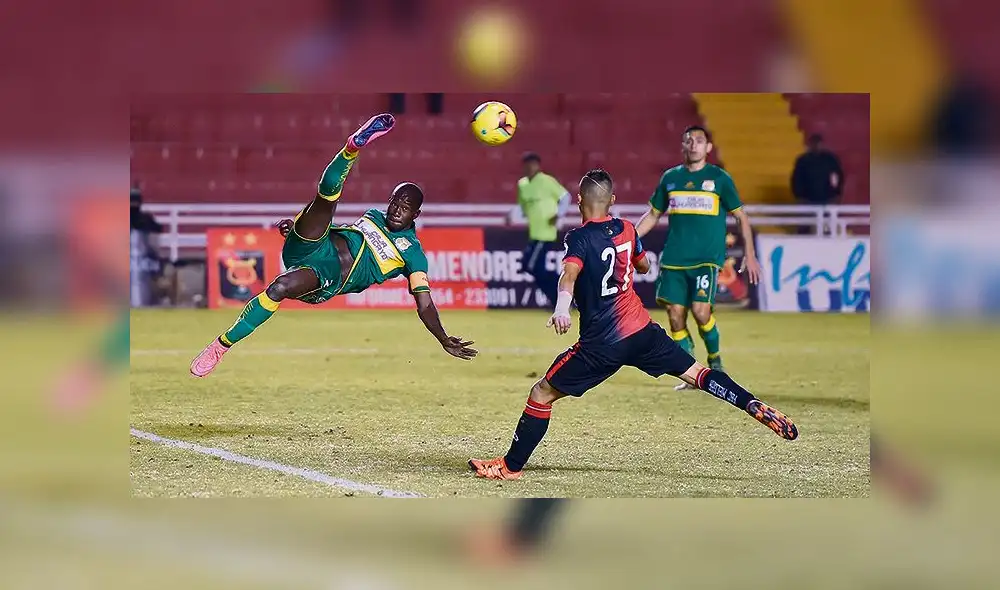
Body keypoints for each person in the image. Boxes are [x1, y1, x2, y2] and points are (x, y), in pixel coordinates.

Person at [468, 169, 797, 481]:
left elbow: (568, 276)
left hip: (602, 344)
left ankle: (509, 467)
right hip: (642, 332)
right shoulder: (627, 229)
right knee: (698, 374)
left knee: (541, 393)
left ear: (580, 202)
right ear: (612, 201)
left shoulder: (578, 238)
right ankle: (748, 402)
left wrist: (562, 309)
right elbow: (642, 265)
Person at [190, 114, 478, 377]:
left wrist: (442, 338)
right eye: (394, 202)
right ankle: (353, 146)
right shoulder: (373, 216)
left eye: (405, 207)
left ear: (416, 215)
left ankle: (221, 345)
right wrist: (296, 229)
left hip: (327, 274)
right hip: (313, 243)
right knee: (325, 201)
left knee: (279, 288)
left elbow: (424, 302)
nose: (396, 210)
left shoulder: (413, 254)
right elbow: (343, 231)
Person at [635, 126, 761, 391]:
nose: (693, 145)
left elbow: (741, 217)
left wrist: (750, 255)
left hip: (706, 259)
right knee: (675, 315)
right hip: (674, 259)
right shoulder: (671, 178)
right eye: (689, 140)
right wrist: (631, 237)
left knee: (702, 312)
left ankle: (716, 364)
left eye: (699, 141)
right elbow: (654, 214)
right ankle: (690, 371)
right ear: (683, 145)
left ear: (708, 148)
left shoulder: (719, 179)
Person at [517, 152, 571, 306]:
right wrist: (511, 217)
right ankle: (559, 294)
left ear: (538, 166)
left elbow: (565, 197)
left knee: (532, 266)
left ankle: (561, 293)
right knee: (533, 268)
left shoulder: (547, 181)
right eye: (527, 164)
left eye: (533, 164)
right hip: (534, 233)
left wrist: (559, 215)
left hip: (546, 233)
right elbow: (522, 208)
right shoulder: (522, 185)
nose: (530, 167)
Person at [791, 133, 844, 207]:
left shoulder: (830, 160)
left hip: (828, 199)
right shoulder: (802, 160)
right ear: (809, 145)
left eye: (818, 143)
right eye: (813, 143)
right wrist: (799, 196)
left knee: (827, 218)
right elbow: (797, 179)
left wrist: (836, 194)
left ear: (822, 144)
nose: (816, 146)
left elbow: (836, 176)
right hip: (807, 200)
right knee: (809, 218)